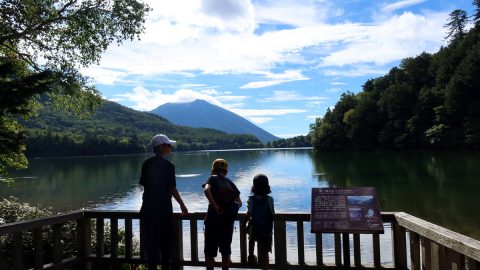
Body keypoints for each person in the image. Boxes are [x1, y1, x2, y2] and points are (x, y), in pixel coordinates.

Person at [139, 134, 188, 270]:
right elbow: (172, 188)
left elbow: (144, 186)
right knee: (165, 245)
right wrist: (182, 205)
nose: (170, 147)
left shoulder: (146, 164)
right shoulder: (169, 166)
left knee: (151, 245)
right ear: (161, 147)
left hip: (148, 210)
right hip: (164, 211)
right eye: (168, 145)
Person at [202, 159, 242, 270]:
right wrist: (230, 210)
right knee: (225, 251)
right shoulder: (229, 182)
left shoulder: (212, 179)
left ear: (213, 170)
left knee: (210, 252)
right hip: (228, 222)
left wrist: (215, 206)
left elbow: (206, 190)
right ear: (226, 171)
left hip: (213, 221)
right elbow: (240, 203)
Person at [241, 174, 274, 270]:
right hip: (266, 229)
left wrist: (243, 224)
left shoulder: (251, 199)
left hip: (255, 228)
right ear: (267, 186)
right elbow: (272, 214)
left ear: (254, 187)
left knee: (251, 240)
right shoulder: (269, 199)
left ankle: (251, 256)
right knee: (265, 253)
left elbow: (249, 213)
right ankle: (265, 268)